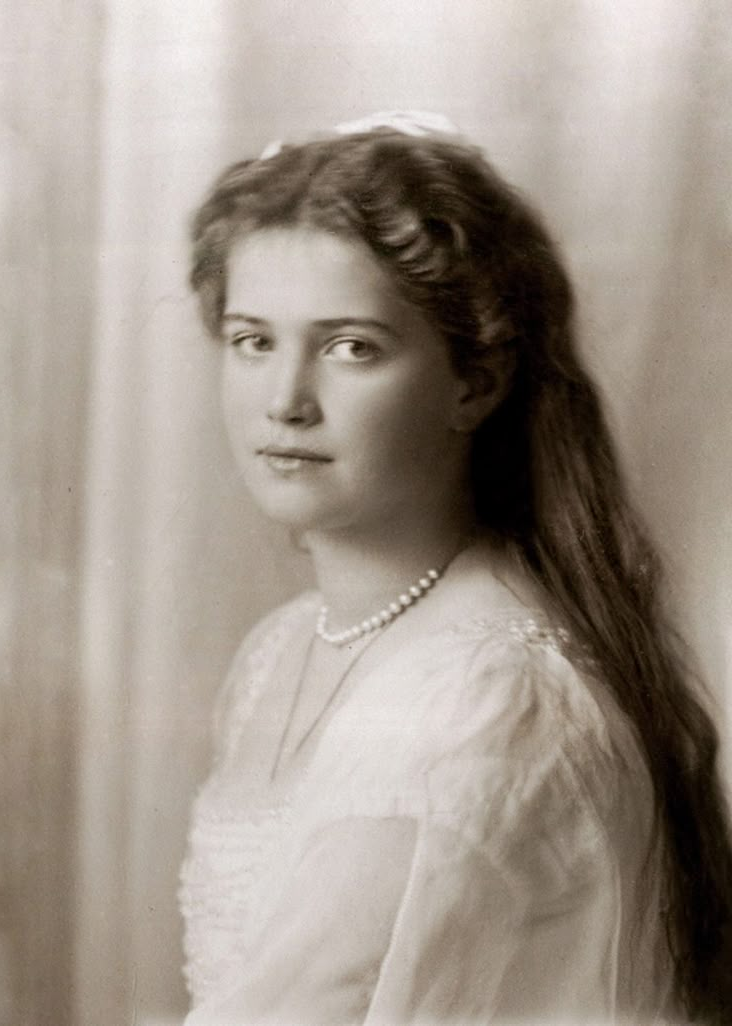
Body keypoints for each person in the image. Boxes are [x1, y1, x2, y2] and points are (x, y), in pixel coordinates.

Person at [178, 112, 732, 1025]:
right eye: (253, 341)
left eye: (351, 347)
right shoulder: (283, 647)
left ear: (476, 382)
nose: (284, 403)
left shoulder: (484, 693)